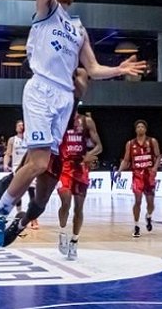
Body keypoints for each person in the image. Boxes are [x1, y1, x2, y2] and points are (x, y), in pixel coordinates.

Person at [0, 0, 146, 253]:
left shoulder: (78, 28)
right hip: (41, 89)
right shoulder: (45, 11)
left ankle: (11, 205)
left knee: (43, 173)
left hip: (64, 100)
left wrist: (119, 68)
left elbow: (93, 68)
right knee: (38, 162)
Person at [56, 110, 102, 260]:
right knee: (65, 202)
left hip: (81, 168)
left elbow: (99, 146)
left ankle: (74, 241)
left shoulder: (86, 121)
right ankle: (62, 232)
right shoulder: (59, 120)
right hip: (64, 167)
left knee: (79, 208)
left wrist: (90, 155)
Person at [118, 120, 159, 237]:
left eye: (142, 127)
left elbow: (158, 156)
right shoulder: (130, 143)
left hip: (149, 175)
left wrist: (155, 168)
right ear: (136, 130)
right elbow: (126, 159)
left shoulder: (152, 141)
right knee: (138, 200)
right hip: (137, 175)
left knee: (150, 203)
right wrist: (119, 170)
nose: (140, 128)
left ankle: (148, 216)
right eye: (138, 127)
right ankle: (136, 226)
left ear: (145, 129)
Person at [2, 120, 36, 226]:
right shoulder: (12, 140)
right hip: (16, 168)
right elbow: (8, 154)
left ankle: (33, 217)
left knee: (32, 192)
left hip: (29, 167)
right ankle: (19, 214)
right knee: (17, 193)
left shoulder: (30, 138)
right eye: (19, 125)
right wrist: (5, 164)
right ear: (16, 128)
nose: (21, 127)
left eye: (22, 125)